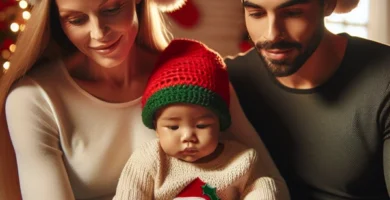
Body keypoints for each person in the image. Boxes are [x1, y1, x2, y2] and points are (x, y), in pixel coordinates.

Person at [0, 0, 288, 200]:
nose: (99, 33)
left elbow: (269, 181)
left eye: (112, 9)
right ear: (56, 21)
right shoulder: (34, 99)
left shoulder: (195, 74)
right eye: (76, 19)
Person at [225, 0, 390, 199]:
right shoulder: (227, 82)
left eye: (293, 13)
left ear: (328, 5)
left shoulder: (384, 77)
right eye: (257, 14)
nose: (271, 34)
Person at [112, 39, 287, 200]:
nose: (188, 136)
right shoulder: (150, 159)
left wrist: (264, 189)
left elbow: (264, 190)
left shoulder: (241, 161)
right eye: (173, 127)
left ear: (220, 124)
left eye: (202, 125)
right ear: (156, 129)